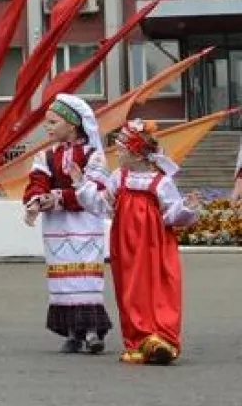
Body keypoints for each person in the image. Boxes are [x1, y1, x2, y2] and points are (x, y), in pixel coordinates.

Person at [92, 120, 200, 365]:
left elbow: (171, 214)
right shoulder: (119, 177)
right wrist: (83, 185)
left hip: (155, 244)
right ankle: (137, 341)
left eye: (120, 149)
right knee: (130, 290)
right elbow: (104, 205)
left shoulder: (160, 182)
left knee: (159, 286)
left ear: (135, 153)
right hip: (126, 243)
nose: (116, 154)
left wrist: (187, 209)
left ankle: (162, 338)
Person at [21, 94, 112, 355]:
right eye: (46, 123)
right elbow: (37, 181)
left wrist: (57, 198)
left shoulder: (94, 156)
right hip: (57, 229)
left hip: (84, 223)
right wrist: (37, 201)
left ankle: (93, 332)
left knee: (86, 277)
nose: (47, 127)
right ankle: (73, 333)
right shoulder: (45, 156)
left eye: (52, 122)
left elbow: (95, 190)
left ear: (72, 125)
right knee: (63, 280)